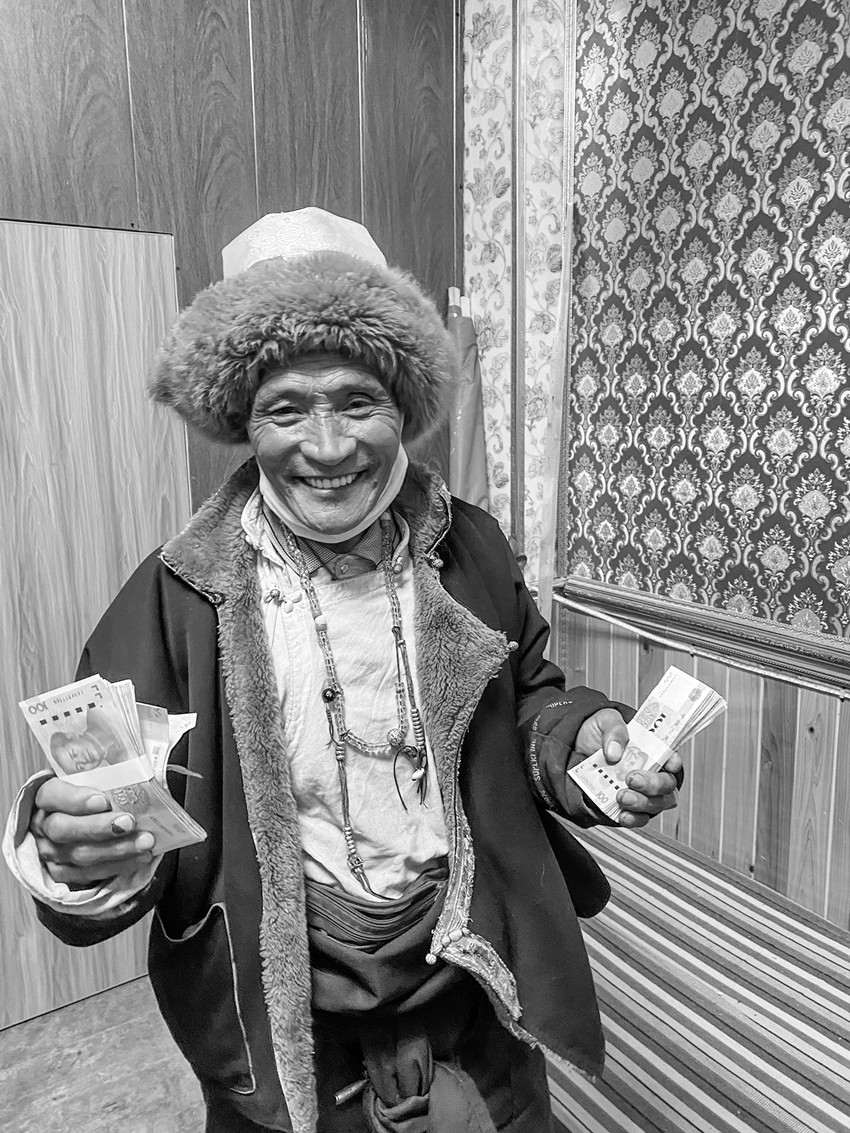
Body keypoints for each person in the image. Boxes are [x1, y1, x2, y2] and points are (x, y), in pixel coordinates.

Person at [3, 209, 682, 1133]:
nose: (327, 448)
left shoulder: (471, 548)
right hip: (282, 1032)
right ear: (243, 419)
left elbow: (530, 697)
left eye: (358, 401)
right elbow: (108, 806)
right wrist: (76, 847)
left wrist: (585, 740)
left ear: (405, 401)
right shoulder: (177, 594)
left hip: (474, 985)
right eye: (287, 409)